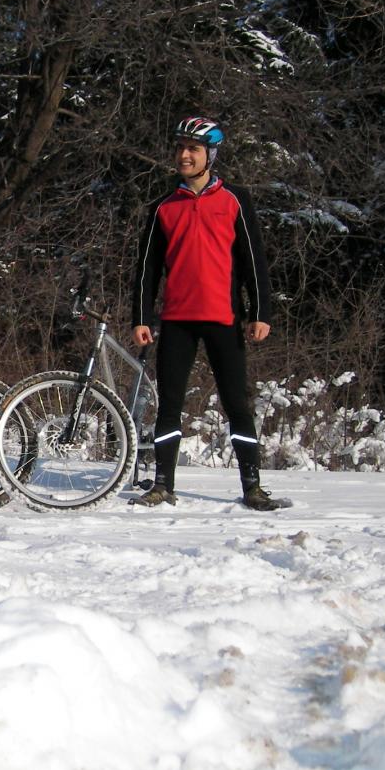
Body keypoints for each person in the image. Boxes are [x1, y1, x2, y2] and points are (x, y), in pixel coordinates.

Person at [130, 116, 284, 511]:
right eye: (180, 147)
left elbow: (253, 260)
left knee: (237, 402)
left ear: (210, 155)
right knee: (169, 403)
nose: (184, 155)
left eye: (193, 149)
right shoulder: (164, 206)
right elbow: (147, 267)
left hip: (224, 317)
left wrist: (260, 312)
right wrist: (141, 317)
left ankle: (252, 487)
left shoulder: (234, 200)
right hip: (178, 319)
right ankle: (163, 485)